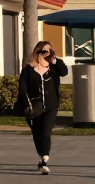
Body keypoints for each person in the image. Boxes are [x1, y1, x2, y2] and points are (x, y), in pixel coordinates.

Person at [17, 40, 68, 174]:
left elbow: (64, 72)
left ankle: (45, 159)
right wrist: (25, 105)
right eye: (44, 50)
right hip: (35, 106)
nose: (47, 52)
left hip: (51, 105)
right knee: (37, 133)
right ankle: (42, 154)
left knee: (46, 131)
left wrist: (54, 59)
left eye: (49, 50)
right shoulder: (28, 69)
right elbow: (22, 89)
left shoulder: (55, 67)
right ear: (38, 52)